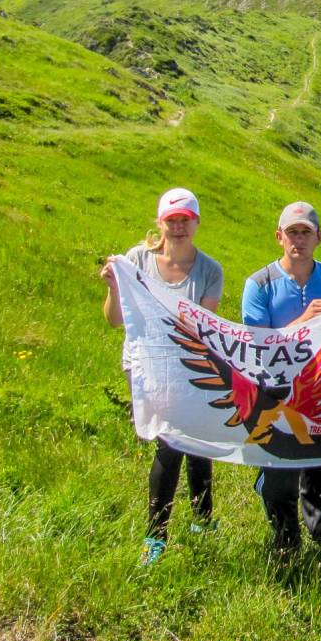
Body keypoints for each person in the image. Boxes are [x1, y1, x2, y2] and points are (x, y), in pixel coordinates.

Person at [99, 187, 225, 566]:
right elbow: (115, 319)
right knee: (171, 442)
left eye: (185, 219)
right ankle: (161, 536)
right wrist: (114, 287)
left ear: (197, 222)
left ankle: (193, 522)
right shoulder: (137, 260)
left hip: (189, 366)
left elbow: (204, 328)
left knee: (189, 439)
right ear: (160, 222)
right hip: (145, 366)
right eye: (171, 220)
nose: (178, 226)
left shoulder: (210, 271)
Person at [242, 201, 321, 555]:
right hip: (277, 395)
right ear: (279, 237)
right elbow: (256, 345)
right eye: (292, 232)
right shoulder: (259, 284)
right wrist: (305, 322)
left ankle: (319, 532)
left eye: (306, 232)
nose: (299, 239)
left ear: (319, 237)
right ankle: (285, 541)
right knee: (279, 472)